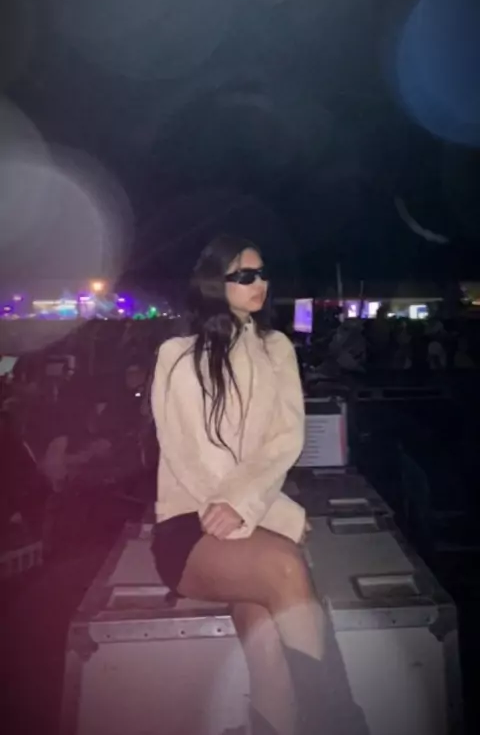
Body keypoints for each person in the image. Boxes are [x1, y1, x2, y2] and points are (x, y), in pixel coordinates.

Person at [151, 235, 367, 735]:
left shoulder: (276, 349)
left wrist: (252, 508)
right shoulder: (177, 354)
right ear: (215, 282)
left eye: (262, 273)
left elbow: (285, 440)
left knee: (268, 652)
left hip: (251, 515)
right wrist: (250, 508)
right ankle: (339, 724)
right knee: (286, 566)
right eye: (245, 275)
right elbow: (189, 453)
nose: (260, 283)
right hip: (191, 523)